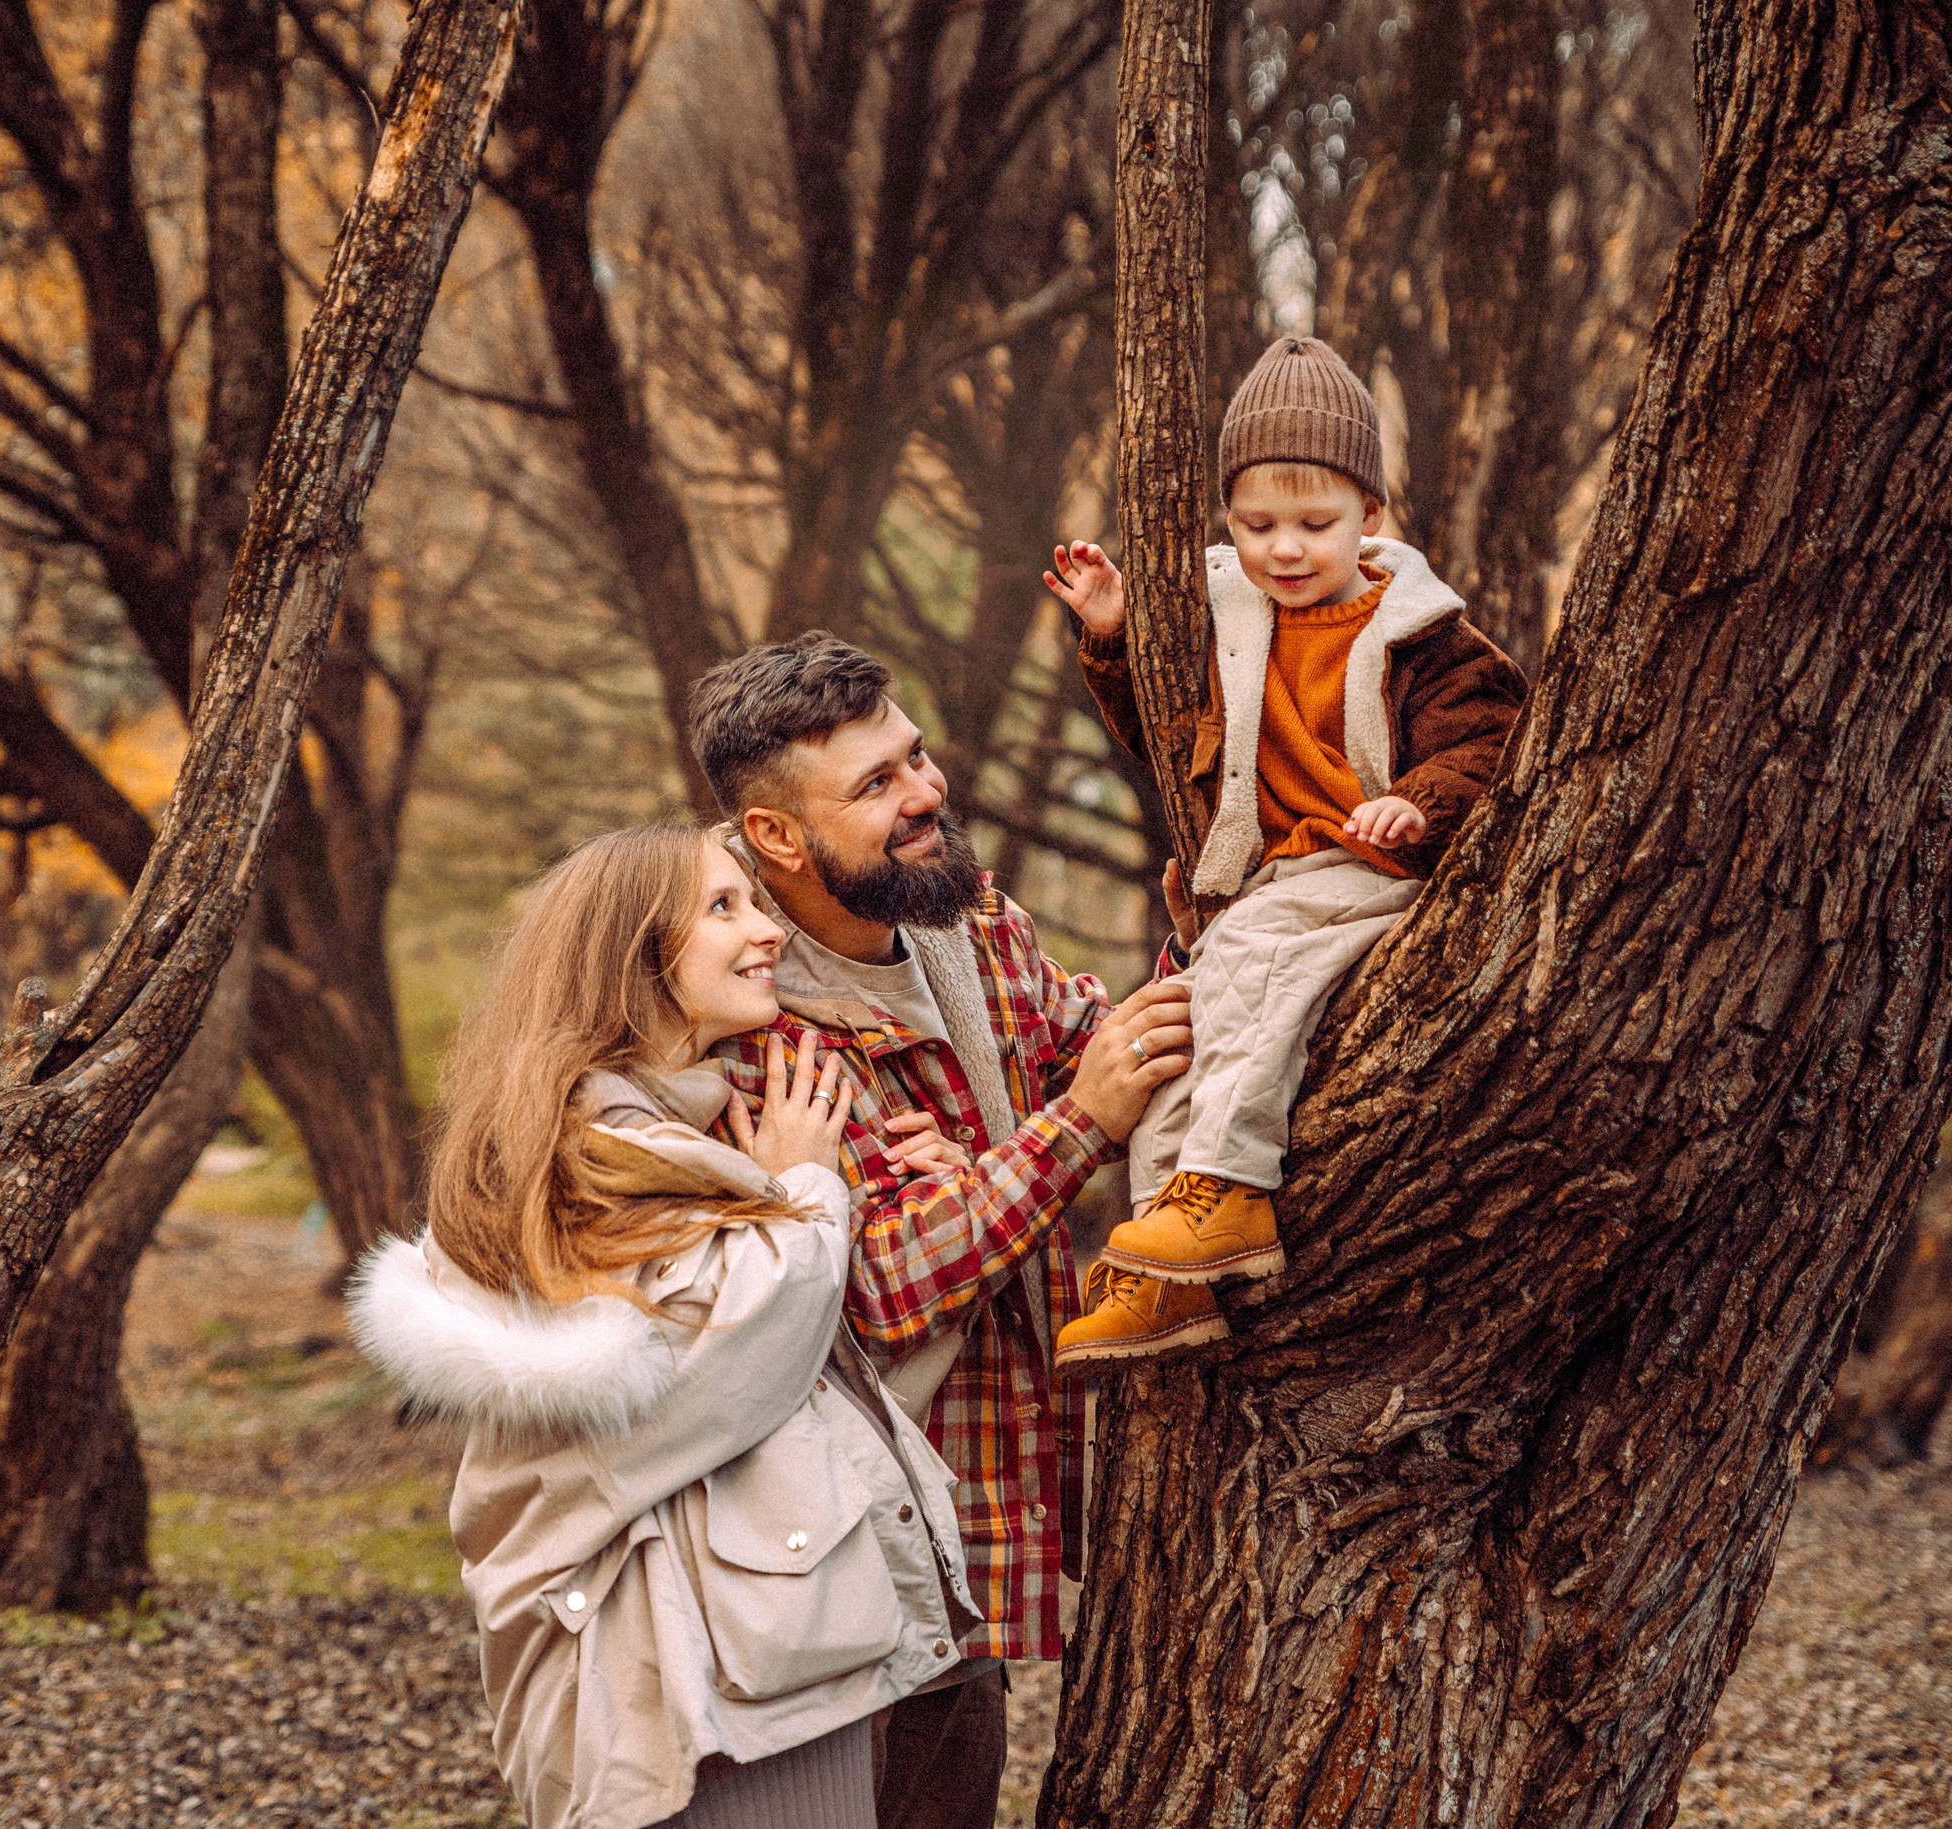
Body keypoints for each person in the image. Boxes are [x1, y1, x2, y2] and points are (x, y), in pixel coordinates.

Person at [346, 825, 981, 1829]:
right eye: (722, 907)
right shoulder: (591, 1153)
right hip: (702, 1672)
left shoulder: (683, 1130)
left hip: (756, 1643)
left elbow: (828, 1373)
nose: (764, 929)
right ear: (630, 953)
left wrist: (942, 1204)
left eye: (755, 901)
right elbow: (727, 1365)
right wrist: (807, 1186)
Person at [686, 638, 1193, 1829]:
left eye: (913, 756)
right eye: (873, 785)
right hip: (840, 1539)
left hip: (974, 1514)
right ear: (774, 838)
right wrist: (1069, 1133)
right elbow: (874, 1285)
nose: (925, 793)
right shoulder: (749, 1015)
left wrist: (1198, 950)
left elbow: (1096, 1043)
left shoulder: (968, 926)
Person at [1043, 333, 1527, 1370]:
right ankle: (1164, 1266)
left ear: (1373, 519)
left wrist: (1416, 801)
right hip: (1271, 879)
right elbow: (1176, 746)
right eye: (1257, 524)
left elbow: (1493, 739)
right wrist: (1112, 637)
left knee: (1252, 964)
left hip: (1370, 868)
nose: (1286, 548)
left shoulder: (1426, 634)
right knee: (1186, 1024)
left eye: (1316, 523)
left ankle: (1228, 1188)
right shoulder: (1227, 616)